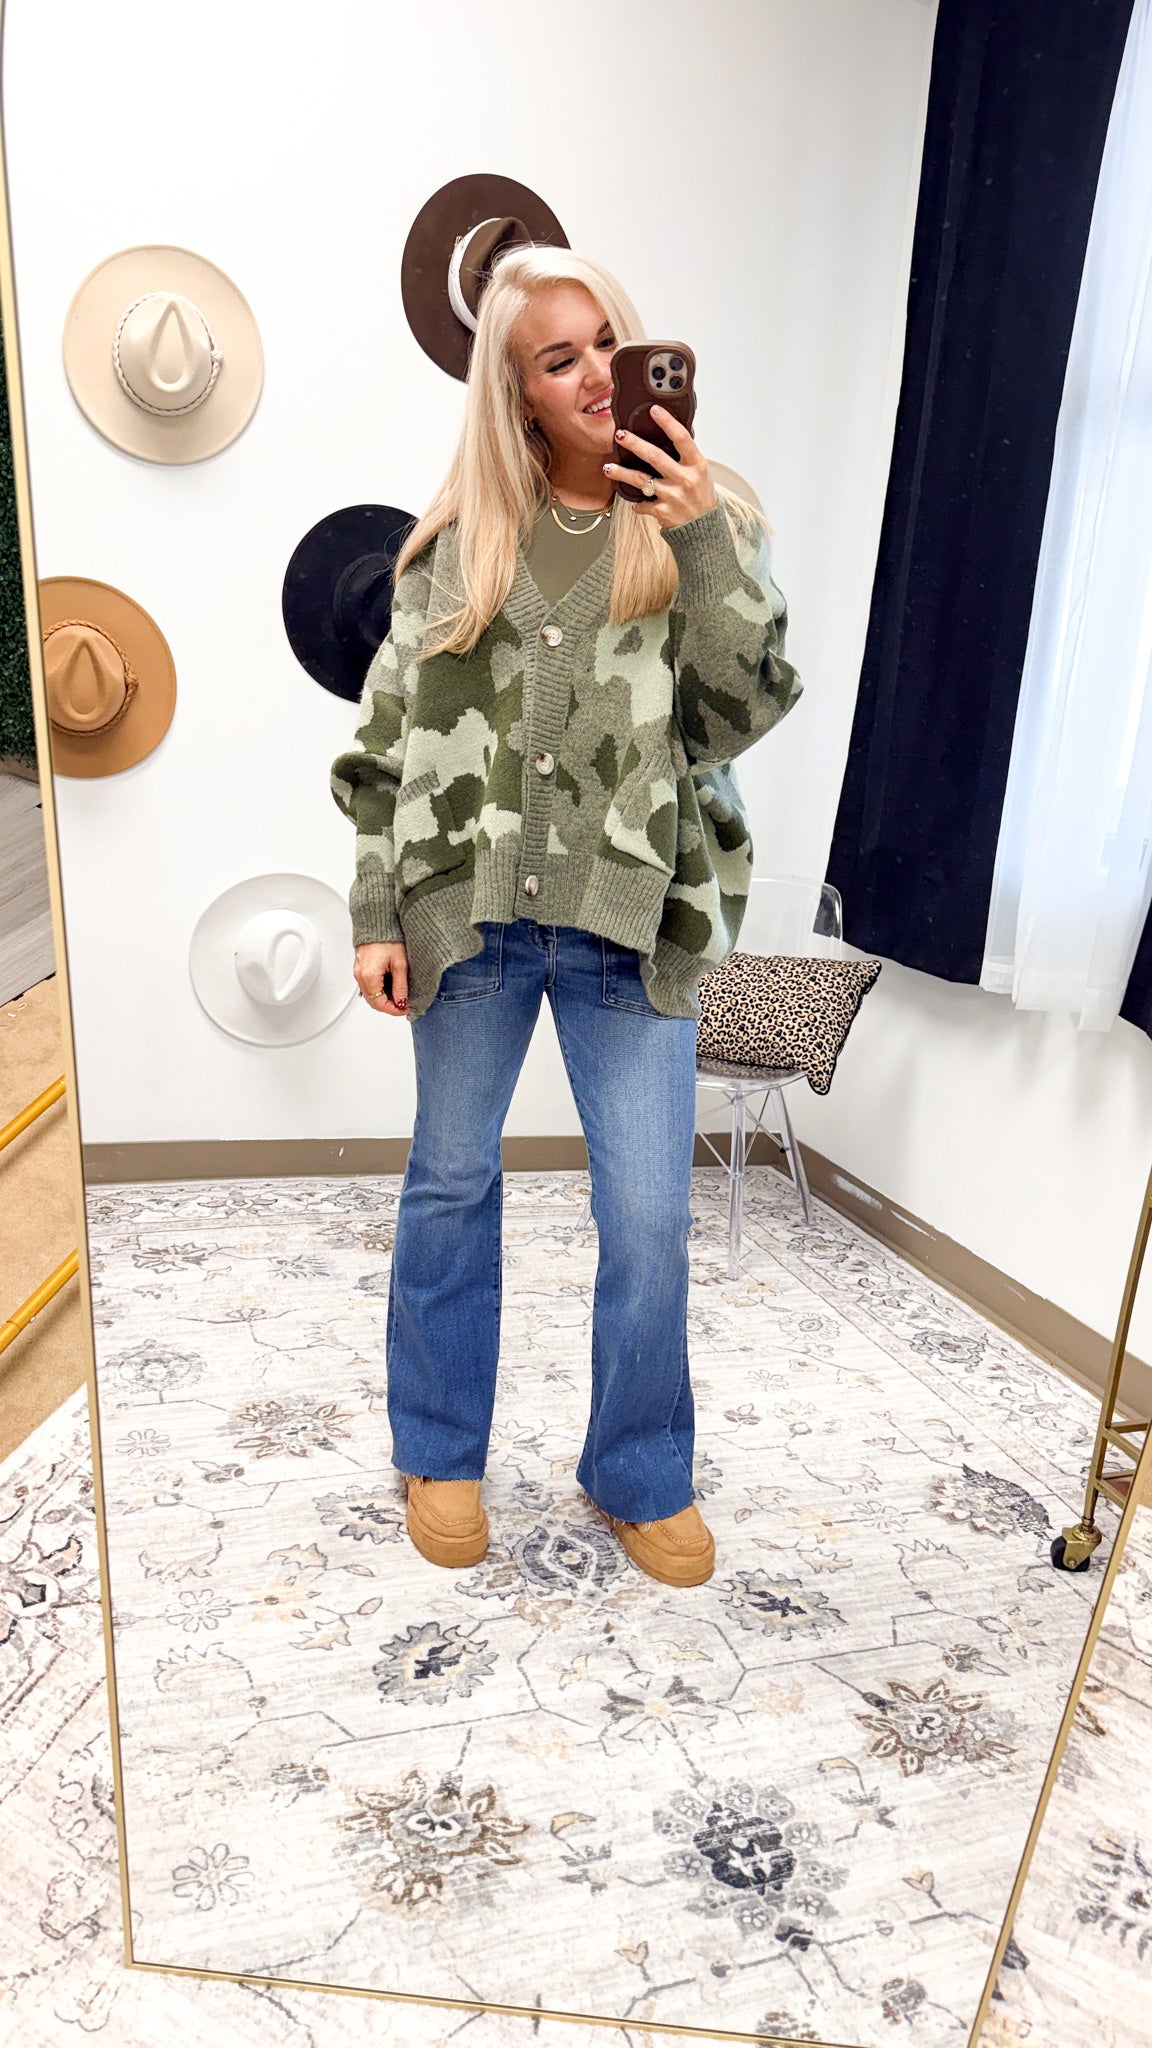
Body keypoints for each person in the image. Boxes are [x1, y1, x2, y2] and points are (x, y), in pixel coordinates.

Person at [329, 244, 802, 1588]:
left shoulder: (710, 523)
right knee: (452, 1180)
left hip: (634, 924)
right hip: (469, 915)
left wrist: (701, 535)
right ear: (517, 394)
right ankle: (439, 1448)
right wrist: (377, 907)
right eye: (560, 358)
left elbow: (743, 709)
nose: (598, 374)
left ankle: (637, 1470)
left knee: (647, 1214)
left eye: (609, 343)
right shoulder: (455, 548)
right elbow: (387, 740)